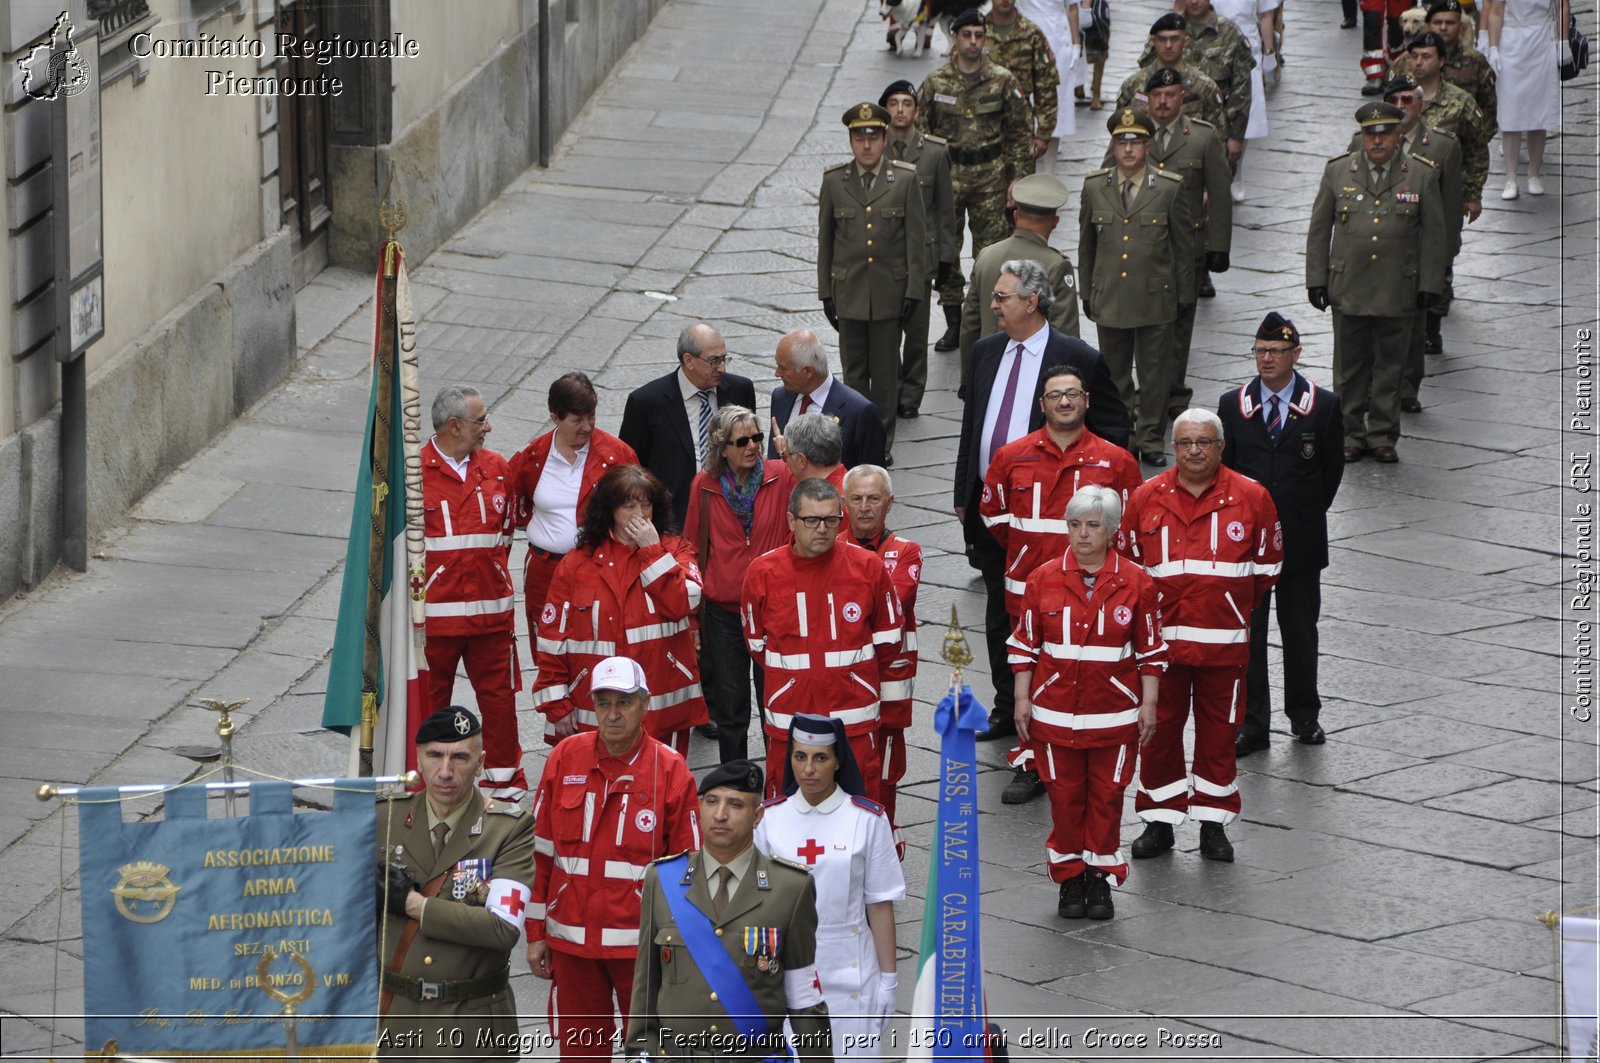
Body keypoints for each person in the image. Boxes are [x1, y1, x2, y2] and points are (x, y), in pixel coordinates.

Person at [956, 260, 1129, 746]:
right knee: (1000, 612)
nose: (993, 305)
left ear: (1031, 302)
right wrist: (963, 492)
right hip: (998, 513)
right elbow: (974, 425)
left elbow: (1115, 430)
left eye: (1002, 297)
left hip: (1062, 526)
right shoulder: (986, 350)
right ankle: (1008, 706)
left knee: (1058, 616)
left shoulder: (1078, 356)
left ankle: (1059, 707)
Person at [1122, 410, 1281, 863]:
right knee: (1156, 733)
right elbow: (1128, 567)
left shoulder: (1252, 497)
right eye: (1186, 442)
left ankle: (1214, 824)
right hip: (1161, 648)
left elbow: (1268, 568)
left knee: (1219, 735)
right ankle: (1159, 821)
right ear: (1173, 447)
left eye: (1204, 442)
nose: (1195, 450)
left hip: (1223, 644)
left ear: (1220, 447)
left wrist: (1227, 606)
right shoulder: (1145, 497)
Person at [525, 656, 701, 1063]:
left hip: (640, 951)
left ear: (645, 704)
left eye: (624, 702)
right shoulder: (564, 758)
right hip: (572, 946)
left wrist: (679, 948)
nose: (612, 714)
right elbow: (540, 853)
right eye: (603, 703)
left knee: (656, 1054)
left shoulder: (670, 770)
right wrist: (535, 934)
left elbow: (691, 870)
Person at [981, 365, 1143, 804]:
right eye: (1056, 395)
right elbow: (995, 518)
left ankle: (1086, 753)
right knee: (1032, 677)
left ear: (1087, 400)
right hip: (1028, 593)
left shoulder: (1116, 462)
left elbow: (1128, 529)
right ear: (1042, 405)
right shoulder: (1010, 456)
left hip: (1094, 593)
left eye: (1073, 393)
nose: (1065, 402)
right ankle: (1032, 762)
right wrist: (1027, 562)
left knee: (1089, 673)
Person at [1007, 486, 1166, 920]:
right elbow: (1024, 646)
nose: (1081, 535)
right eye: (1074, 525)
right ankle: (1070, 879)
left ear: (1112, 531)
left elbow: (1151, 652)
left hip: (1114, 716)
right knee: (1064, 798)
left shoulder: (1138, 582)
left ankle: (1099, 880)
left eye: (1092, 525)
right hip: (1054, 715)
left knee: (1108, 796)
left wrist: (1148, 706)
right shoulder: (1042, 579)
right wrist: (1022, 700)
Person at [625, 760, 833, 1063]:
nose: (720, 815)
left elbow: (804, 998)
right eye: (712, 802)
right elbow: (646, 984)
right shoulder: (663, 879)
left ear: (757, 815)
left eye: (735, 804)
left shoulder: (791, 888)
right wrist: (637, 1054)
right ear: (698, 807)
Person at [377, 706, 535, 1058]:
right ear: (418, 757)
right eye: (435, 755)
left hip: (471, 1021)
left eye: (460, 757)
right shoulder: (384, 817)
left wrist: (414, 905)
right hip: (393, 1017)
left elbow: (502, 927)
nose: (445, 771)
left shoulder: (508, 829)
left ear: (481, 763)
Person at [1220, 314, 1345, 756]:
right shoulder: (1233, 405)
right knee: (1248, 635)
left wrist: (1301, 514)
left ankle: (1304, 715)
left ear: (1296, 354)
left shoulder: (1323, 406)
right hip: (1246, 544)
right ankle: (1252, 724)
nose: (1266, 359)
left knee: (1300, 629)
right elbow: (1226, 473)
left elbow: (1331, 471)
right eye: (1259, 351)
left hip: (1299, 538)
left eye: (1275, 352)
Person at [741, 478, 903, 799]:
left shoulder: (868, 567)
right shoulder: (763, 573)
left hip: (853, 719)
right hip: (789, 722)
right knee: (787, 821)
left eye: (831, 519)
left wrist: (852, 679)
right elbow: (757, 644)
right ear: (791, 520)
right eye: (811, 520)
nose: (822, 529)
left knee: (859, 816)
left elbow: (888, 640)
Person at [1305, 102, 1447, 464]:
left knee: (1391, 365)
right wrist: (1316, 279)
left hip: (1397, 287)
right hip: (1349, 286)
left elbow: (1434, 235)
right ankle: (1350, 433)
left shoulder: (1420, 174)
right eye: (1371, 133)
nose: (1378, 140)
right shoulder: (1339, 172)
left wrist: (1432, 284)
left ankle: (1383, 434)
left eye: (1385, 133)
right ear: (1362, 137)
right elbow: (1320, 229)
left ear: (1399, 135)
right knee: (1349, 366)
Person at [755, 715, 904, 1057]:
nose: (809, 768)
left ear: (838, 761)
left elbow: (879, 905)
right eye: (800, 756)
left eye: (820, 757)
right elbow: (757, 904)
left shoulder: (868, 819)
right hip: (788, 966)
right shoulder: (768, 820)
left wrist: (889, 980)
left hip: (852, 967)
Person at [531, 465, 708, 754]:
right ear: (610, 510)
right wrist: (556, 703)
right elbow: (552, 638)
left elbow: (682, 604)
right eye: (629, 506)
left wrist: (652, 551)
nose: (640, 514)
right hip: (595, 711)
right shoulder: (576, 564)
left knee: (659, 790)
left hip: (663, 705)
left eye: (646, 504)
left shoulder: (676, 551)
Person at [1106, 68, 1231, 414]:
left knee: (1177, 330)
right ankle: (1135, 399)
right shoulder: (1133, 135)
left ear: (1182, 97)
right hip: (1138, 249)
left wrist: (1218, 246)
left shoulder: (1201, 138)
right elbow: (1106, 182)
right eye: (1157, 96)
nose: (1163, 102)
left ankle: (1172, 395)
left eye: (1171, 95)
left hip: (1183, 249)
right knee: (1136, 328)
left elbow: (1220, 193)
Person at [420, 386, 524, 803]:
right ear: (454, 425)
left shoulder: (497, 468)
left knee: (500, 708)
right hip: (434, 624)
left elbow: (505, 536)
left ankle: (506, 794)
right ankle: (430, 790)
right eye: (481, 421)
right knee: (429, 709)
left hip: (490, 620)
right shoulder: (412, 473)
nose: (488, 427)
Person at [1078, 105, 1195, 466]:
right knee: (1113, 374)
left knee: (1155, 373)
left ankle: (1150, 437)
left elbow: (1183, 248)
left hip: (1155, 298)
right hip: (1110, 295)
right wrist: (1088, 291)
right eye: (1121, 143)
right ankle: (1119, 436)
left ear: (1148, 146)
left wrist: (1184, 295)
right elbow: (1087, 244)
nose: (1128, 150)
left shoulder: (1169, 188)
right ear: (1113, 147)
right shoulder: (1096, 187)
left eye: (1137, 143)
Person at [917, 9, 1037, 352]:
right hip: (948, 175)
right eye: (966, 34)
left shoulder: (1002, 80)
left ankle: (989, 319)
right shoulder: (936, 83)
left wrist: (1018, 179)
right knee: (946, 250)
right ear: (954, 37)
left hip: (991, 175)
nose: (973, 42)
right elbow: (921, 133)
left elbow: (1018, 131)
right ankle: (954, 322)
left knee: (992, 252)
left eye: (979, 35)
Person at [684, 406, 796, 764]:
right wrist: (692, 618)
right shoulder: (704, 486)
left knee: (774, 705)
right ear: (722, 447)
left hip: (773, 611)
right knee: (731, 711)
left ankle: (779, 784)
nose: (753, 446)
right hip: (725, 614)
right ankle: (735, 784)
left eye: (757, 438)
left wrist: (795, 459)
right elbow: (691, 546)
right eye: (742, 440)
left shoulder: (781, 475)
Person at [818, 102, 926, 457]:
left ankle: (880, 444)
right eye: (859, 137)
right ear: (851, 140)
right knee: (853, 376)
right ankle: (856, 440)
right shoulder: (835, 181)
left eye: (873, 137)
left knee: (883, 378)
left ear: (884, 139)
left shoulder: (905, 180)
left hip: (888, 293)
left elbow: (915, 241)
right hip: (848, 291)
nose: (866, 145)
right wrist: (825, 292)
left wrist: (913, 291)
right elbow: (826, 241)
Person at [510, 373, 638, 667]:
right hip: (545, 570)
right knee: (547, 648)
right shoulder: (533, 456)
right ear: (555, 417)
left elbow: (640, 505)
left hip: (599, 568)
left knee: (599, 644)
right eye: (577, 420)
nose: (588, 427)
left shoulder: (617, 454)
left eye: (591, 416)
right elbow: (515, 504)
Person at [1357, 74, 1465, 406]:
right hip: (1377, 247)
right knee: (1372, 323)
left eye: (1408, 100)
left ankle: (1406, 388)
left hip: (1416, 252)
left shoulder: (1443, 146)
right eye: (1396, 101)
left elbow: (1448, 209)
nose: (1401, 107)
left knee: (1414, 326)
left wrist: (1443, 258)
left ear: (1422, 103)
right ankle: (1373, 382)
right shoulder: (1360, 142)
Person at [843, 463, 922, 836]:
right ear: (844, 502)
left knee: (886, 769)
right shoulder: (831, 545)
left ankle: (885, 837)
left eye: (873, 498)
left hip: (890, 681)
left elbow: (892, 603)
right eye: (856, 498)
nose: (864, 507)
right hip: (843, 680)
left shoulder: (907, 552)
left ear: (890, 503)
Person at [618, 323, 758, 533]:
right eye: (713, 361)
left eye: (724, 358)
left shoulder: (740, 390)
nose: (722, 368)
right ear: (688, 360)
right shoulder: (646, 402)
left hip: (733, 513)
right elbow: (630, 467)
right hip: (674, 519)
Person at [881, 81, 959, 421]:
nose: (900, 109)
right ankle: (891, 386)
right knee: (886, 329)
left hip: (921, 258)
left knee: (915, 332)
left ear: (916, 110)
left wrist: (946, 258)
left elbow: (945, 210)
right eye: (894, 103)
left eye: (907, 103)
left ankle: (911, 393)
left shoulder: (935, 152)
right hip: (883, 257)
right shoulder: (873, 148)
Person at [958, 172, 1082, 379]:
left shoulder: (986, 256)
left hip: (989, 369)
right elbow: (1066, 334)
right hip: (1036, 375)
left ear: (1016, 216)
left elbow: (970, 325)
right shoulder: (1056, 266)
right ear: (1055, 222)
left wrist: (968, 379)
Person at [1483, 0, 1568, 199]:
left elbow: (1562, 6)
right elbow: (1495, 11)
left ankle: (1534, 173)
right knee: (1510, 111)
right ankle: (1511, 177)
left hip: (1541, 40)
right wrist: (1493, 47)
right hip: (1511, 41)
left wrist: (1563, 41)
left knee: (1539, 109)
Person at [770, 329, 888, 471]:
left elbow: (874, 478)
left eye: (783, 368)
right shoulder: (780, 397)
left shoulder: (860, 412)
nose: (777, 373)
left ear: (808, 371)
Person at [1175, 0, 1253, 184]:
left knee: (1215, 198)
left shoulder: (1229, 32)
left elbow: (1241, 89)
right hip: (1175, 133)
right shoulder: (1168, 30)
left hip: (1216, 133)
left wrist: (1236, 136)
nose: (1194, 1)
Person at [1116, 15, 1229, 132]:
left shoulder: (1205, 88)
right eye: (1162, 39)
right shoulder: (1133, 85)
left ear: (1186, 42)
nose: (1168, 46)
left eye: (1175, 39)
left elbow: (1217, 139)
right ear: (1154, 42)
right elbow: (1119, 133)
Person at [985, 0, 1062, 172]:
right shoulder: (976, 33)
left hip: (1019, 128)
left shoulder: (1032, 34)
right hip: (980, 127)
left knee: (1020, 189)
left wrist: (1043, 133)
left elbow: (1046, 86)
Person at [1017, 0, 1085, 152]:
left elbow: (1073, 7)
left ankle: (1050, 166)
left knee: (1056, 96)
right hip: (1023, 32)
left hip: (1058, 36)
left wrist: (1076, 44)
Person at [775, 412, 848, 493]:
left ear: (801, 460)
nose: (786, 463)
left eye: (785, 457)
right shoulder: (850, 487)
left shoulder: (829, 502)